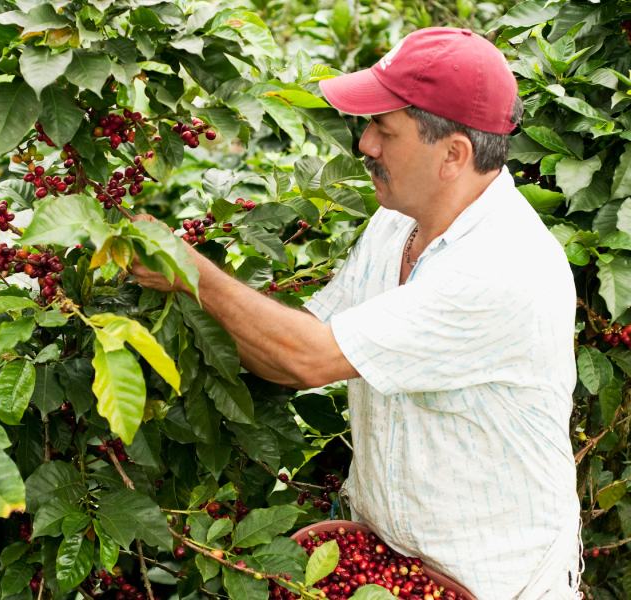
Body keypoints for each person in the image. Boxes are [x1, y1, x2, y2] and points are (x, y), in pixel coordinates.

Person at [132, 26, 581, 600]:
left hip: (495, 583)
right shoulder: (396, 221)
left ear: (453, 154)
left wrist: (191, 273)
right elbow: (302, 339)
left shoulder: (501, 265)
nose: (365, 144)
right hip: (392, 561)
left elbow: (306, 358)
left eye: (384, 130)